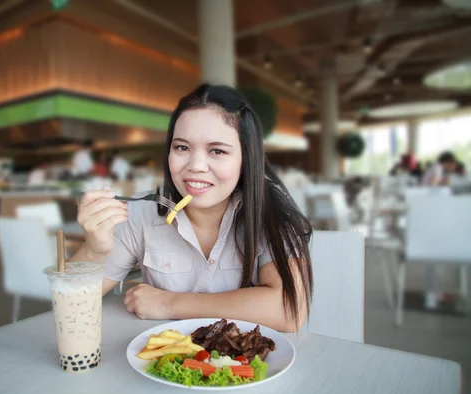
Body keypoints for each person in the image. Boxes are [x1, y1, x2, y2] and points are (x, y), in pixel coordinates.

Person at [69, 84, 313, 332]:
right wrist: (94, 250)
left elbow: (289, 309)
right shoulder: (142, 212)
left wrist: (170, 304)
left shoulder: (270, 211)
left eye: (217, 150)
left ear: (246, 158)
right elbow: (71, 302)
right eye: (182, 148)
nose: (196, 165)